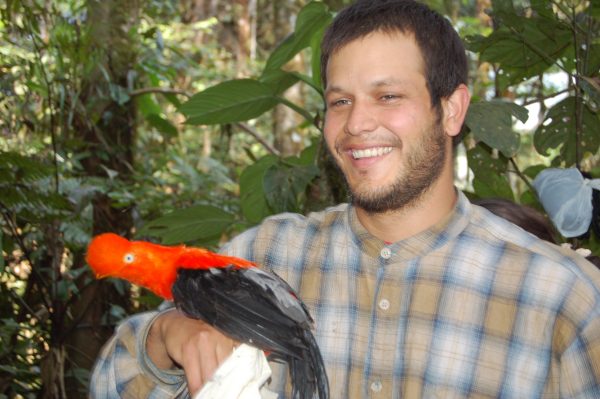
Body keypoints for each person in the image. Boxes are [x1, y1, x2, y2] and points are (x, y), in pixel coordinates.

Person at [90, 0, 600, 397]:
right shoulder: (267, 255)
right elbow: (110, 382)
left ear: (451, 109)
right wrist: (168, 338)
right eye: (340, 101)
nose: (356, 124)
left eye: (388, 96)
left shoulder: (557, 294)